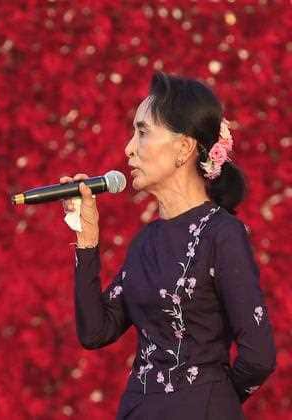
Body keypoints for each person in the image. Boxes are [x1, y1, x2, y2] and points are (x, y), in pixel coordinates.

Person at [60, 71, 276, 419]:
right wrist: (87, 237)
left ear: (184, 147)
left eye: (142, 132)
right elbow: (95, 330)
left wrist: (210, 398)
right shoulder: (147, 242)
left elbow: (259, 356)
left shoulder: (221, 234)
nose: (129, 148)